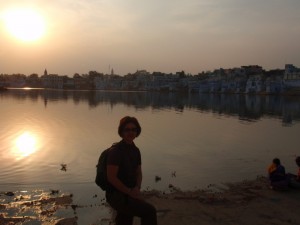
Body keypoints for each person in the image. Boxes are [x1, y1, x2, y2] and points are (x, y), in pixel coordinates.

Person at [105, 116, 157, 225]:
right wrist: (129, 192)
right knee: (149, 212)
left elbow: (139, 172)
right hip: (116, 195)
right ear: (121, 132)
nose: (131, 132)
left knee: (125, 219)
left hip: (130, 192)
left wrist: (137, 188)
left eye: (134, 129)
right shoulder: (116, 151)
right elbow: (111, 177)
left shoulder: (135, 150)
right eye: (127, 129)